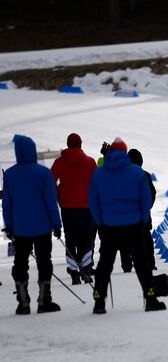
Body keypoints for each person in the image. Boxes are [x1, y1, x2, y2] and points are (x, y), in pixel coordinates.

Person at [88, 137, 165, 314]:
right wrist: (142, 219)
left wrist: (100, 221)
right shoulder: (137, 173)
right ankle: (150, 298)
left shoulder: (99, 174)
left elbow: (92, 200)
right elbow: (146, 199)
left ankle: (99, 302)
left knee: (105, 265)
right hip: (133, 225)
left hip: (108, 226)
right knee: (142, 264)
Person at [2, 135, 63, 315]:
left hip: (20, 229)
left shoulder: (11, 174)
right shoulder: (43, 173)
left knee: (20, 264)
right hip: (43, 227)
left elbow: (7, 204)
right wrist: (56, 223)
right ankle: (44, 300)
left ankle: (23, 302)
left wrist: (9, 226)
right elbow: (50, 201)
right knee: (45, 263)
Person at [51, 133, 97, 285]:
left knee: (70, 239)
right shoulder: (90, 162)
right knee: (86, 238)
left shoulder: (59, 162)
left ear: (68, 144)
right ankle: (86, 268)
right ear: (80, 144)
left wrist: (60, 193)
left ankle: (74, 272)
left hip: (68, 207)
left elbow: (50, 182)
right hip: (86, 207)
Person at [119, 148, 157, 272]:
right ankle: (150, 263)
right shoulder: (145, 175)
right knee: (146, 238)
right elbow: (152, 193)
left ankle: (126, 265)